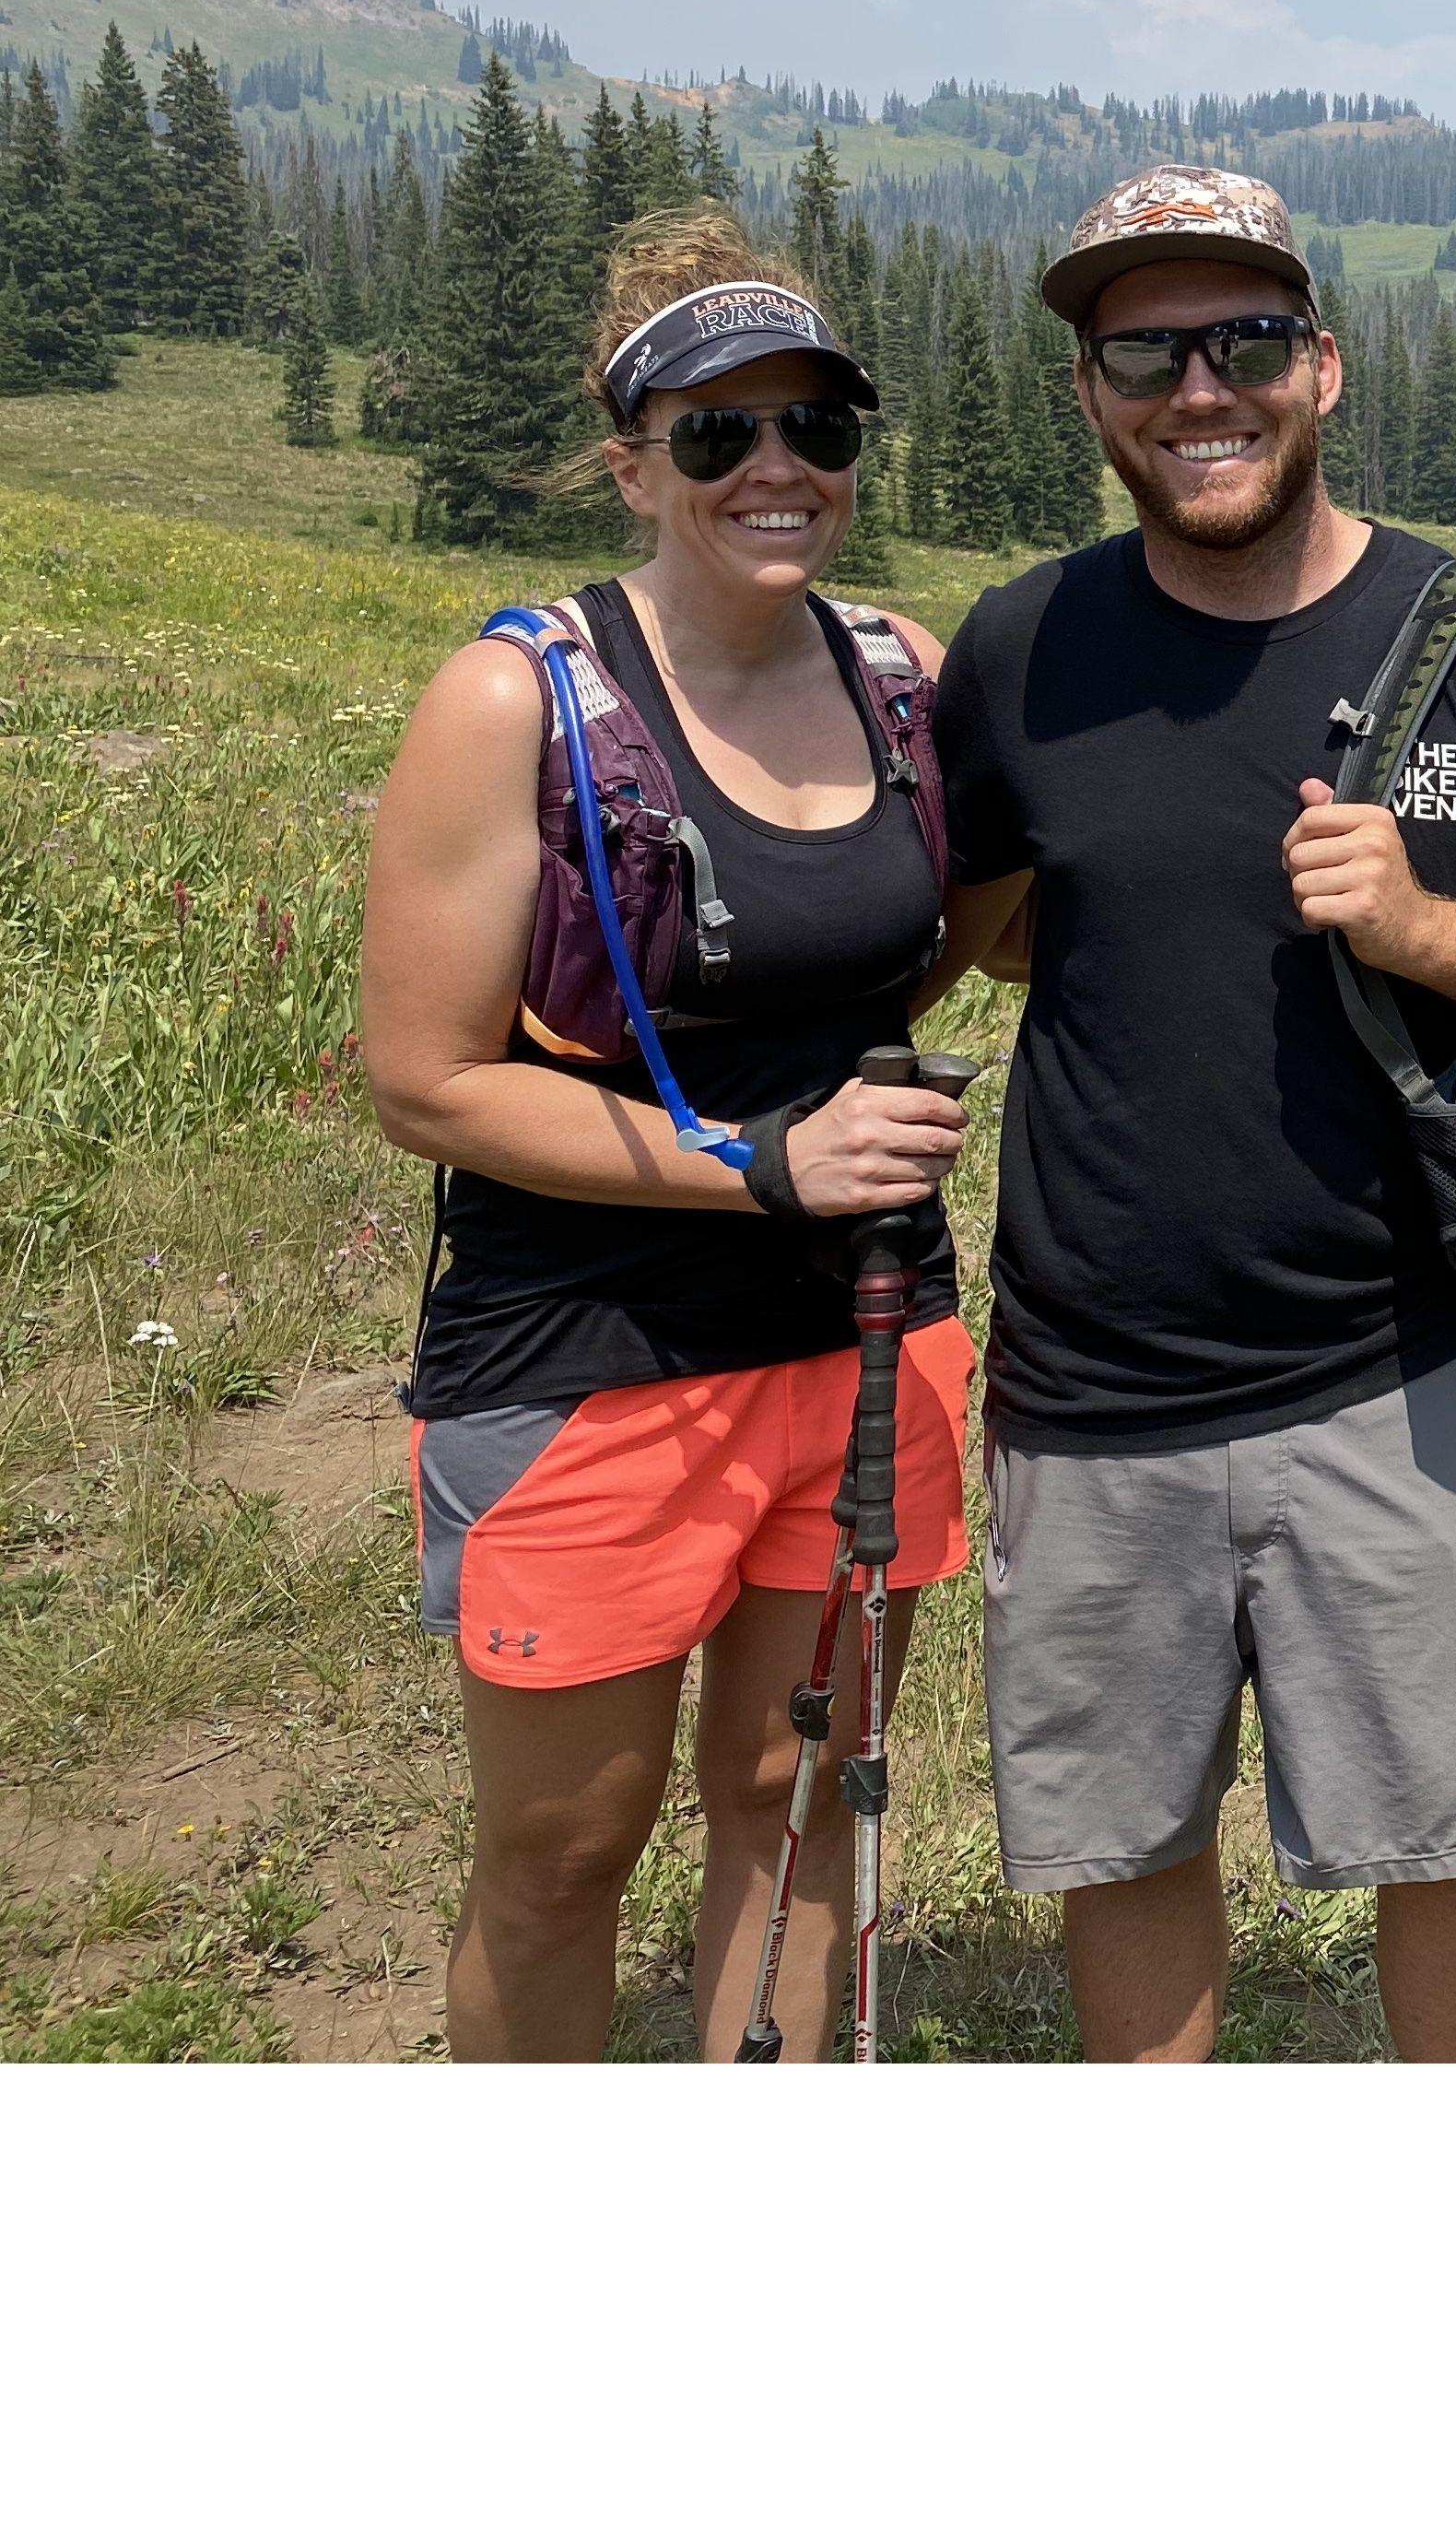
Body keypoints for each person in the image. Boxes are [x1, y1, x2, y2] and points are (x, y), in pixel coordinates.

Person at [933, 166, 1456, 2063]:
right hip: (1091, 1385)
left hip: (1399, 1375)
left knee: (1440, 1836)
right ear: (1094, 396)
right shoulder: (1025, 649)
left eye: (1247, 342)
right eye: (1145, 352)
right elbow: (996, 929)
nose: (1202, 390)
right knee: (1125, 1845)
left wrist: (1426, 924)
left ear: (1323, 370)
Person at [360, 210, 983, 2062]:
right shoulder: (518, 699)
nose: (774, 468)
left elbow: (952, 926)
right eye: (716, 432)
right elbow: (427, 1078)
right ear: (632, 458)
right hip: (591, 1354)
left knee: (789, 1811)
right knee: (562, 1850)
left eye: (815, 428)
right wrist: (751, 1159)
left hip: (869, 1338)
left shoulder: (899, 674)